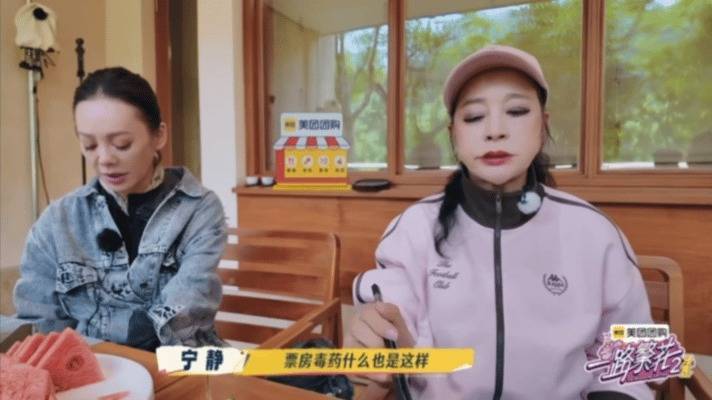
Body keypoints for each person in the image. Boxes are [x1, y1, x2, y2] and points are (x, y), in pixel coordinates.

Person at [345, 45, 654, 399]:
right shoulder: (413, 230)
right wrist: (379, 343)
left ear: (543, 125)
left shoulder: (596, 233)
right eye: (474, 116)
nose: (495, 130)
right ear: (453, 134)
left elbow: (636, 365)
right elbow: (395, 336)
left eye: (517, 111)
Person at [14, 67, 227, 351]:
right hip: (91, 369)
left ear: (159, 135)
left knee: (282, 368)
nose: (104, 159)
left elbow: (182, 312)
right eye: (89, 145)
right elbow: (37, 325)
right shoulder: (57, 220)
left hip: (180, 361)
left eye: (121, 144)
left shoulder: (199, 210)